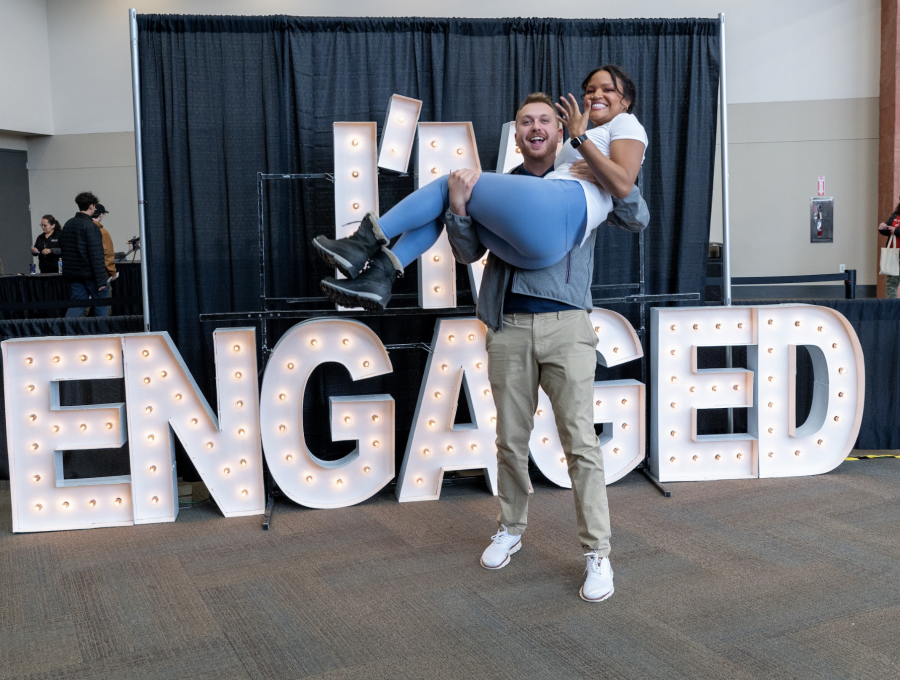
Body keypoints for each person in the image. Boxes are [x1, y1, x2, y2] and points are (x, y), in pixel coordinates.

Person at [312, 65, 648, 313]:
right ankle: (379, 276)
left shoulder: (622, 124)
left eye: (608, 89)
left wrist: (582, 141)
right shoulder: (525, 180)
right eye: (590, 89)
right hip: (536, 261)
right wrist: (459, 210)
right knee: (453, 197)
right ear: (516, 135)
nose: (596, 95)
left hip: (562, 248)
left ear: (626, 100)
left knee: (452, 182)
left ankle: (365, 245)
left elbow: (623, 189)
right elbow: (468, 254)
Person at [60, 191, 109, 317]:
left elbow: (64, 249)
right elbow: (96, 255)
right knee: (102, 303)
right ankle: (102, 334)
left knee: (77, 305)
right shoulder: (91, 227)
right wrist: (101, 280)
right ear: (92, 206)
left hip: (73, 274)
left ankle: (66, 333)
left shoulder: (68, 224)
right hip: (90, 274)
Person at [92, 203, 118, 291]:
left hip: (83, 276)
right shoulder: (103, 232)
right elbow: (107, 254)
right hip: (101, 276)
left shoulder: (82, 229)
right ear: (101, 214)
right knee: (103, 302)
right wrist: (112, 272)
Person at [879, 196, 900, 298]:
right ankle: (892, 311)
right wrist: (883, 228)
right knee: (891, 286)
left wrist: (896, 230)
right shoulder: (896, 214)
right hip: (894, 254)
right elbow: (888, 229)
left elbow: (895, 230)